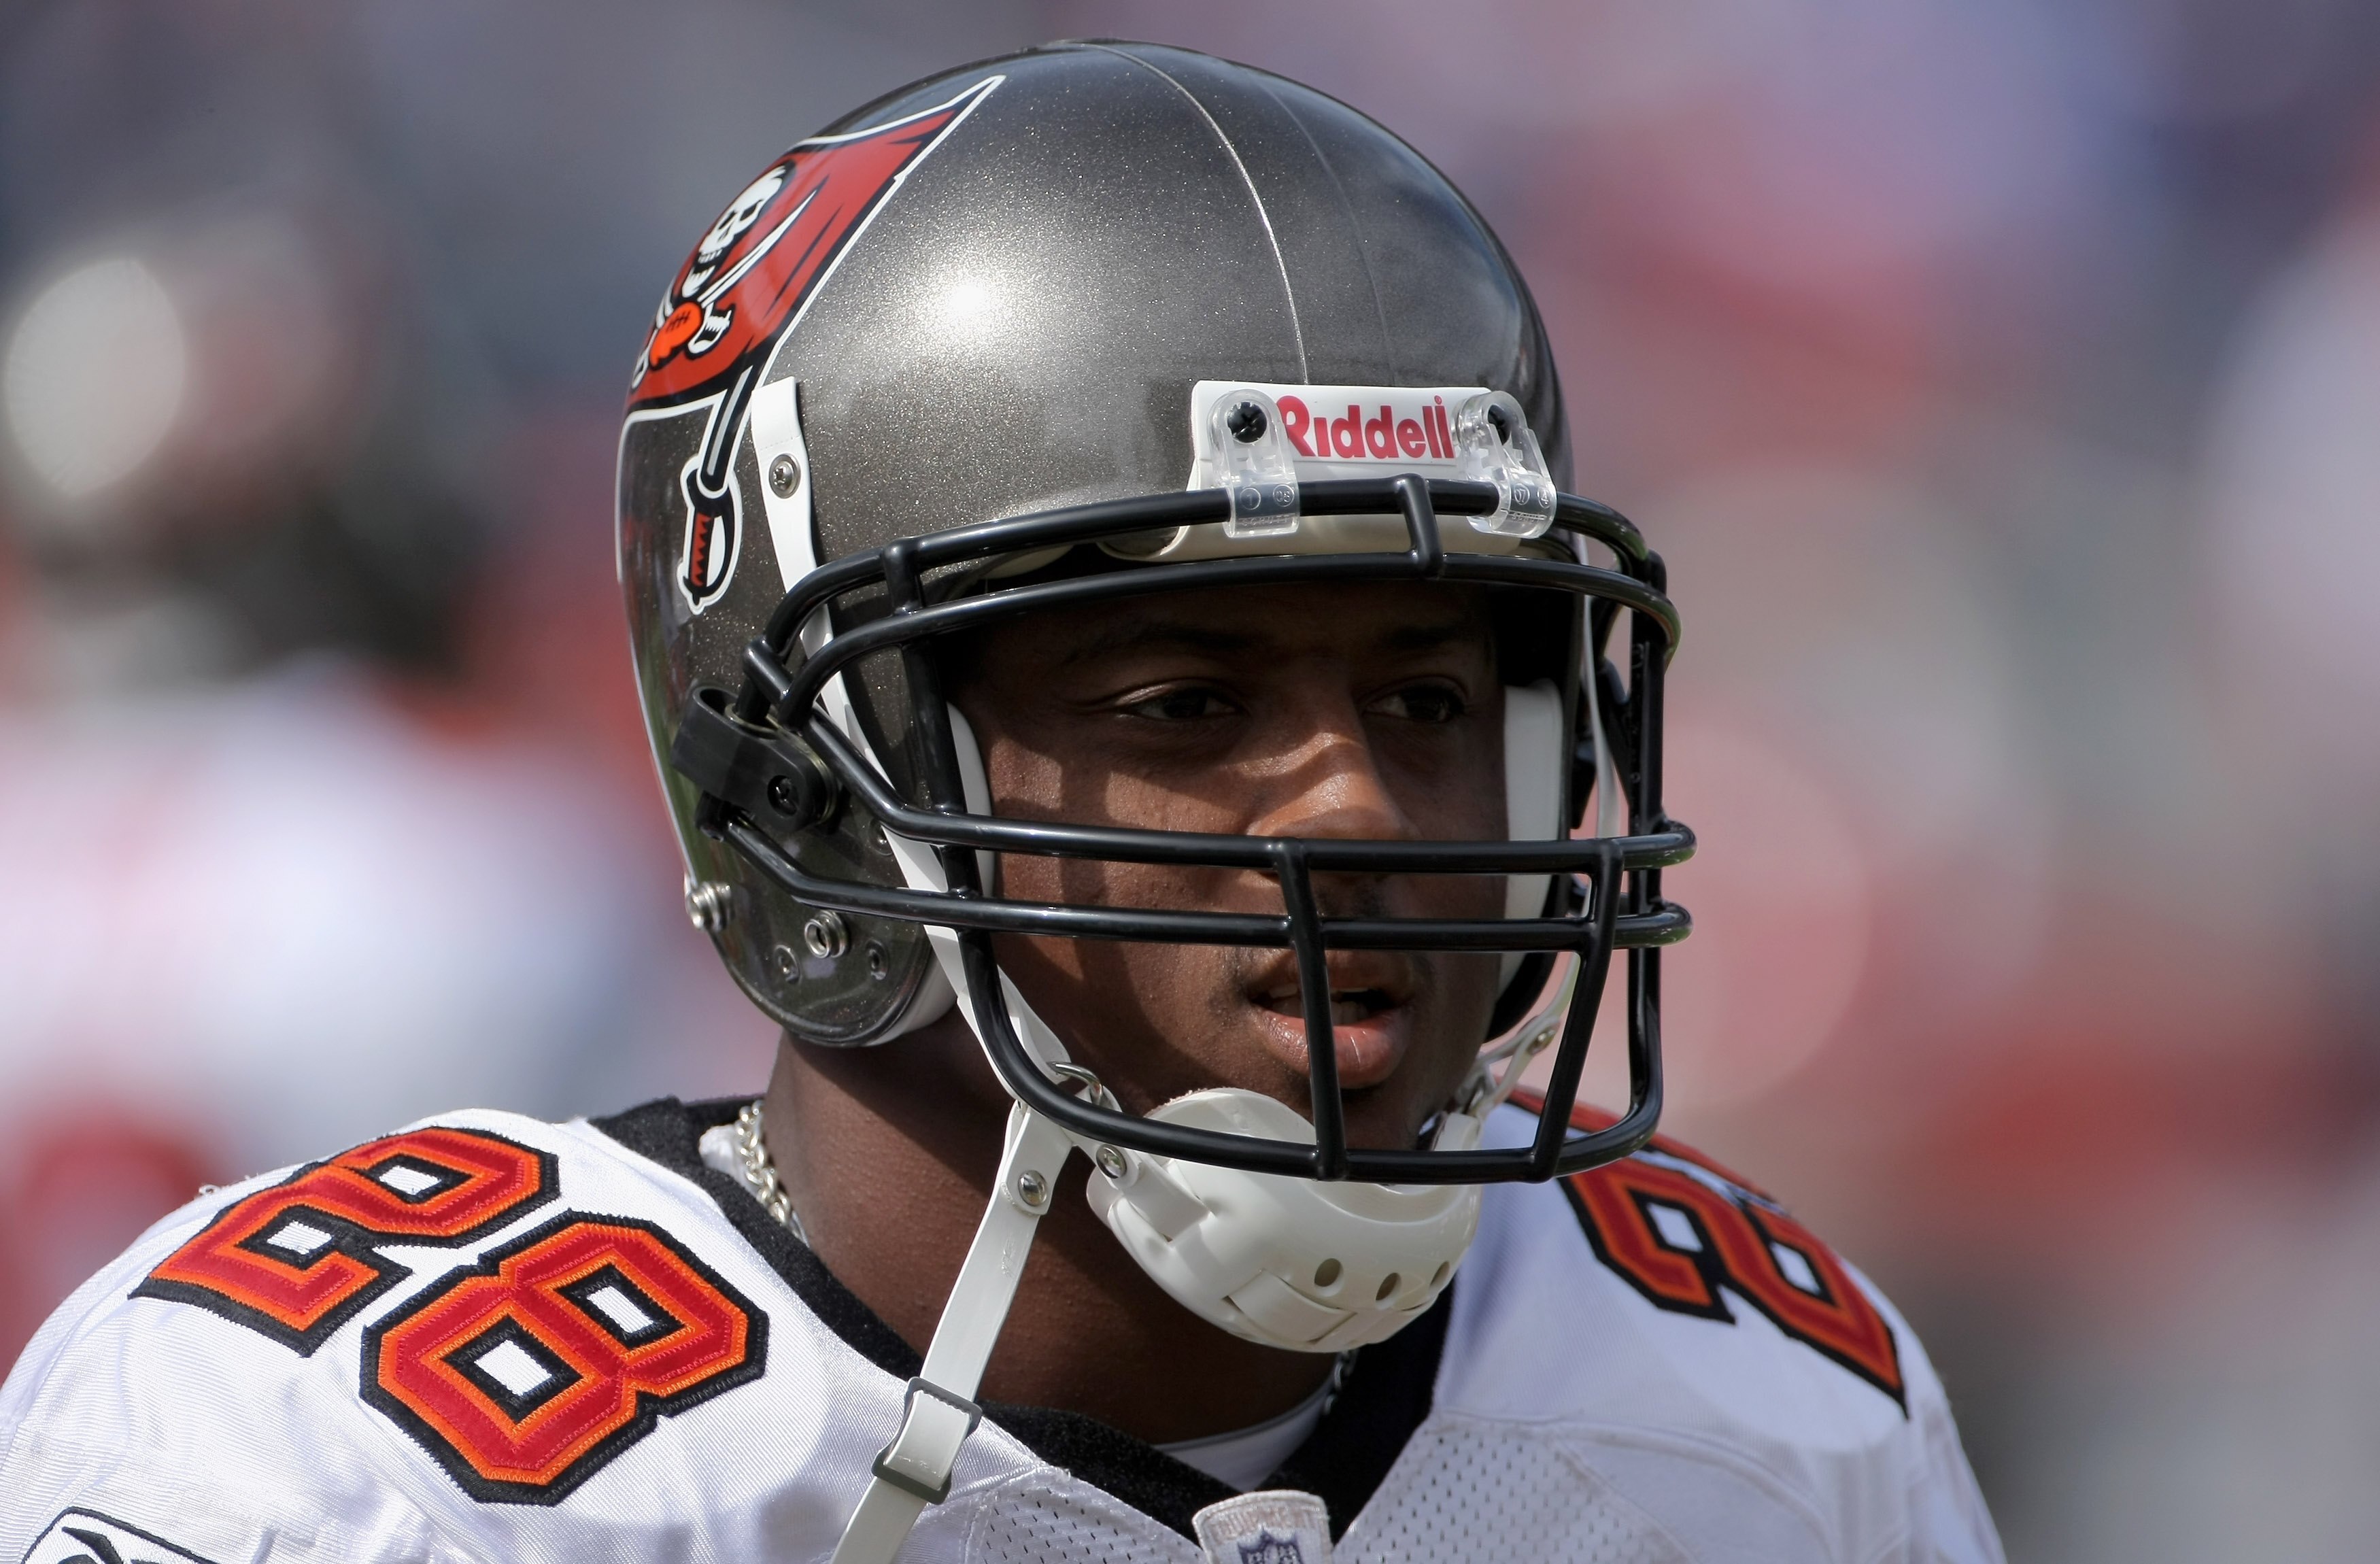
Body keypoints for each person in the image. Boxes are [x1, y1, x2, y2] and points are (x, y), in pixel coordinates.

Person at [0, 41, 2003, 1564]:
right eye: (1186, 697)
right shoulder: (352, 1469)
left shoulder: (1763, 1406)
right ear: (811, 773)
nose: (1354, 799)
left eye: (1428, 689)